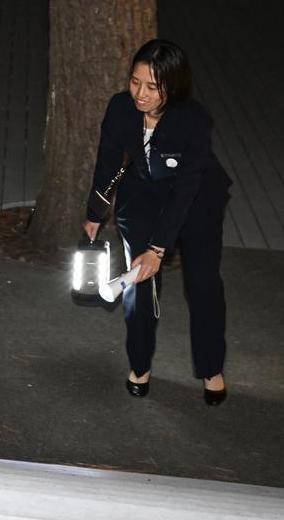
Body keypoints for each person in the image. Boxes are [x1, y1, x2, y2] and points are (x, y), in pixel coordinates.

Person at [84, 39, 232, 406]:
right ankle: (139, 364)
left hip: (197, 203)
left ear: (174, 87)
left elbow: (187, 189)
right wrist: (94, 211)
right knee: (138, 286)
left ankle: (211, 367)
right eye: (135, 81)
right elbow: (107, 159)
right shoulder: (121, 108)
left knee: (203, 285)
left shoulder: (194, 121)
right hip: (143, 199)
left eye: (152, 87)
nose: (140, 94)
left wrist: (157, 249)